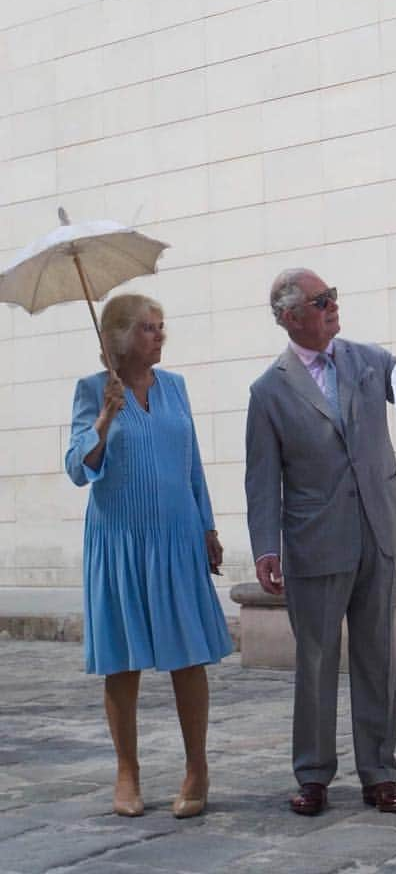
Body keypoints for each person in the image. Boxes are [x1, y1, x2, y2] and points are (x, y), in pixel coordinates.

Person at [244, 269, 396, 816]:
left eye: (333, 294)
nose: (334, 305)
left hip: (378, 528)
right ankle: (313, 774)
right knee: (316, 662)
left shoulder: (370, 361)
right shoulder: (269, 389)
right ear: (292, 317)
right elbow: (262, 477)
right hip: (314, 540)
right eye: (321, 301)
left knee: (377, 657)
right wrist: (266, 547)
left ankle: (380, 774)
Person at [64, 294, 232, 820]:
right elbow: (76, 467)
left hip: (177, 538)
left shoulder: (176, 388)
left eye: (162, 327)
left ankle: (197, 768)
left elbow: (192, 464)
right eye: (147, 329)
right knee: (122, 660)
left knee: (188, 656)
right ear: (117, 337)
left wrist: (207, 524)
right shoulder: (92, 392)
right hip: (120, 542)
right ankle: (127, 771)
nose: (159, 337)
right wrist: (106, 417)